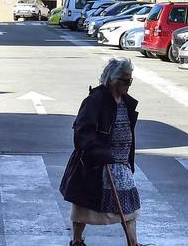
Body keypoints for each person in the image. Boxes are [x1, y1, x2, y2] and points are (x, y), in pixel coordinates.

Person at [60, 57, 141, 246]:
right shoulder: (95, 100)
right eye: (125, 80)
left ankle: (133, 243)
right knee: (83, 207)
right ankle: (77, 240)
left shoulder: (126, 101)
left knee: (129, 207)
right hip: (97, 163)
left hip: (121, 163)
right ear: (111, 80)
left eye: (130, 80)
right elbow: (82, 130)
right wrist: (98, 152)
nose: (129, 84)